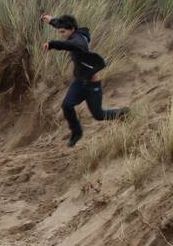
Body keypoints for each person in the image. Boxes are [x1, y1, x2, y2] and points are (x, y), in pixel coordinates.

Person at [40, 14, 128, 147]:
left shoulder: (78, 42)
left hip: (92, 85)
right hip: (79, 82)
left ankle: (122, 113)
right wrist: (52, 21)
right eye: (60, 32)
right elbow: (62, 25)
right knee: (67, 105)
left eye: (63, 32)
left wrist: (52, 44)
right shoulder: (73, 31)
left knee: (98, 115)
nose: (61, 34)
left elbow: (68, 45)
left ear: (72, 30)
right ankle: (77, 132)